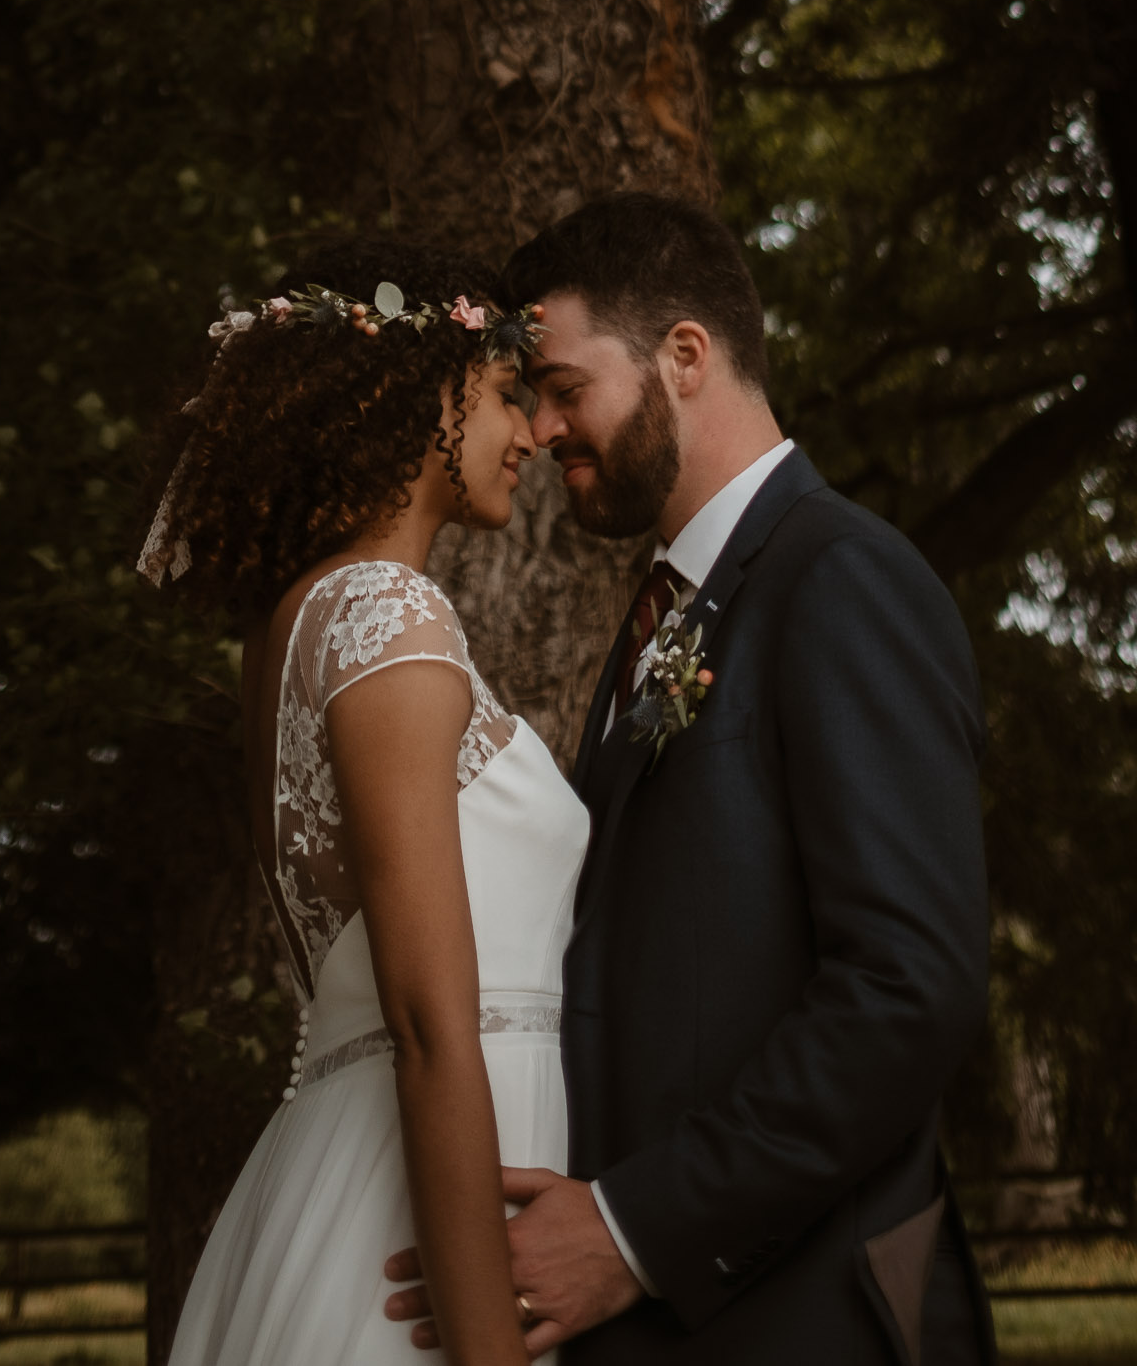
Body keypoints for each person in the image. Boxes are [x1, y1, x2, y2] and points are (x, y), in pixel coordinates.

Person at [385, 190, 996, 1365]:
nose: (546, 426)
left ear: (682, 355)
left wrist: (631, 1229)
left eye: (565, 389)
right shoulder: (668, 610)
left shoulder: (840, 579)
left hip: (805, 1313)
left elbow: (907, 985)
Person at [139, 238, 590, 1366]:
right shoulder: (385, 611)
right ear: (414, 391)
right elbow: (433, 1024)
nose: (531, 433)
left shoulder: (299, 625)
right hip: (412, 1233)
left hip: (343, 1179)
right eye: (502, 394)